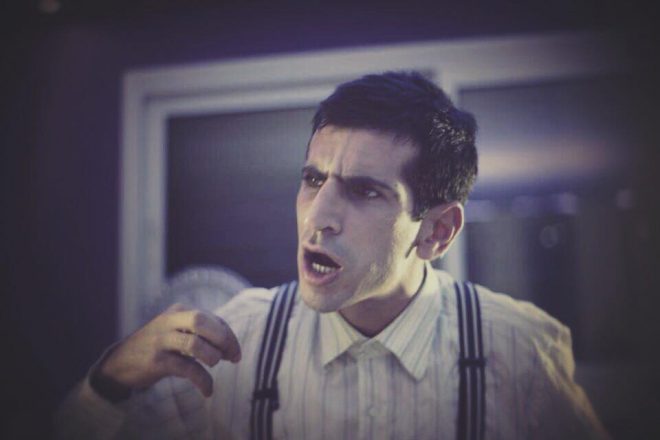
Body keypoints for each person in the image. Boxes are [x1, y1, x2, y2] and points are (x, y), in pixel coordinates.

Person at [56, 71, 609, 439]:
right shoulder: (235, 344)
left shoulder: (519, 350)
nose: (317, 215)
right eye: (313, 179)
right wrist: (110, 378)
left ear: (437, 232)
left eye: (365, 191)